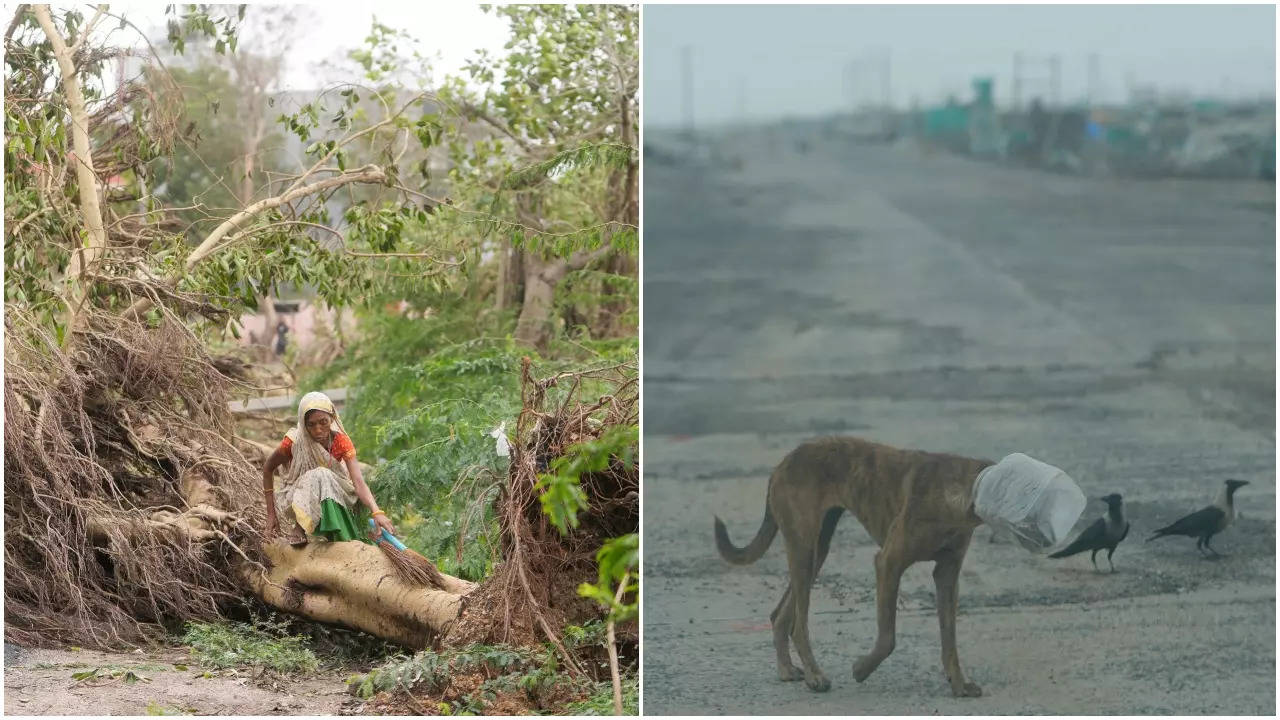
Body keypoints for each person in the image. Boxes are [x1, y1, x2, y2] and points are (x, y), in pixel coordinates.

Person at [263, 391, 396, 545]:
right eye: (311, 425)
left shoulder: (340, 441)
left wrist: (376, 511)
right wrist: (271, 515)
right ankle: (299, 527)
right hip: (297, 496)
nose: (318, 429)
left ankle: (338, 533)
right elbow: (267, 469)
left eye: (323, 422)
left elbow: (358, 482)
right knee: (320, 474)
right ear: (303, 424)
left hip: (335, 492)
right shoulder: (293, 442)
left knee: (323, 475)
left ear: (332, 418)